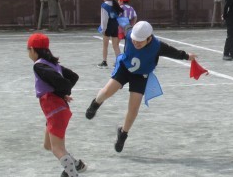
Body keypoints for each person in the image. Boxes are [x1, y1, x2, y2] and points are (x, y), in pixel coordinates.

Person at [85, 21, 198, 153]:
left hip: (140, 76)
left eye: (140, 41)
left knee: (134, 108)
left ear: (149, 38)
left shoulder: (157, 46)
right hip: (124, 68)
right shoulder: (129, 32)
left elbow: (173, 52)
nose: (136, 43)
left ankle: (123, 133)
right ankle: (96, 103)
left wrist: (186, 56)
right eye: (134, 39)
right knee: (106, 92)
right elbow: (123, 21)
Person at [27, 33, 87, 177]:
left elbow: (63, 82)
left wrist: (62, 92)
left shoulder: (39, 66)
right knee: (48, 145)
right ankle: (76, 165)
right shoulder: (52, 64)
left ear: (32, 49)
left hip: (56, 111)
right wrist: (62, 93)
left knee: (57, 148)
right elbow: (73, 76)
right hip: (55, 111)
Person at [98, 0, 123, 68]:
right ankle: (119, 62)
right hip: (115, 26)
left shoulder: (104, 5)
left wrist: (103, 29)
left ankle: (104, 62)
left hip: (108, 27)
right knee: (115, 45)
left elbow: (104, 19)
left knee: (105, 45)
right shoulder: (115, 4)